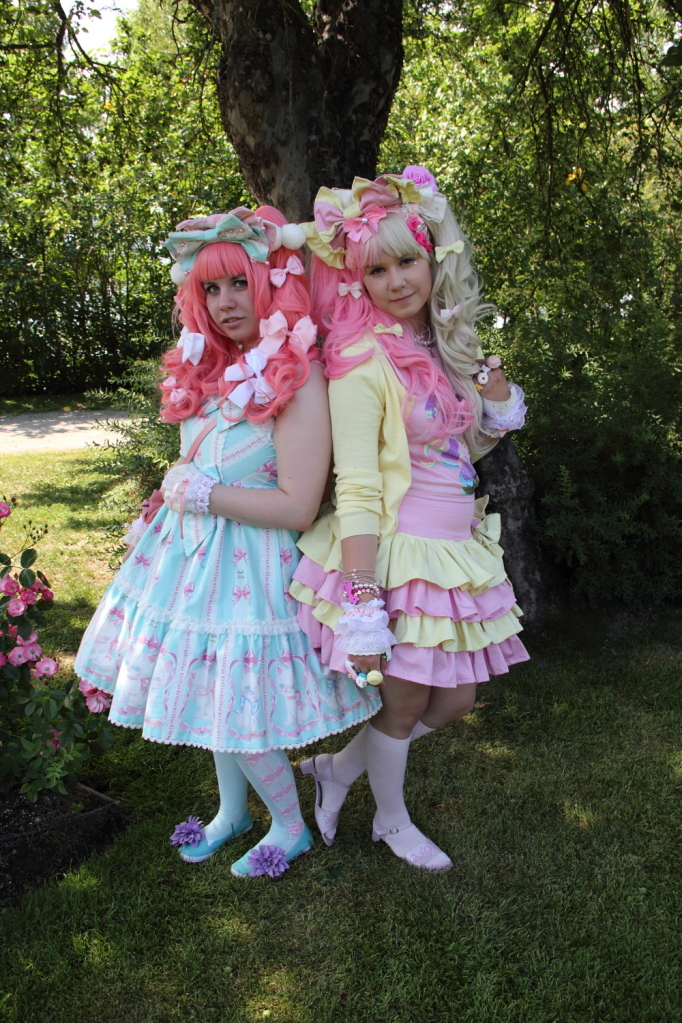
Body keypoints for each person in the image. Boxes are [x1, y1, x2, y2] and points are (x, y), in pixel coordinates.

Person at [75, 206, 380, 879]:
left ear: (271, 281)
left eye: (239, 283)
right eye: (210, 288)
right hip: (191, 558)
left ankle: (290, 826)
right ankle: (232, 812)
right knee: (210, 688)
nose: (225, 302)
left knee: (235, 699)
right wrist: (173, 493)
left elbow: (298, 504)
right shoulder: (216, 368)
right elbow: (206, 463)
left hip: (254, 569)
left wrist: (202, 494)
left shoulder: (299, 377)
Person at [290, 166, 529, 871]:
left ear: (432, 259)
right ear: (358, 279)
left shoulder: (444, 344)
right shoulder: (360, 360)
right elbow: (358, 483)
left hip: (453, 544)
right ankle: (391, 822)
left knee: (456, 699)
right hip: (399, 550)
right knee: (401, 705)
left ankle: (337, 771)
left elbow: (458, 450)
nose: (396, 281)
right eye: (377, 269)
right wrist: (363, 599)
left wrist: (492, 407)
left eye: (406, 262)